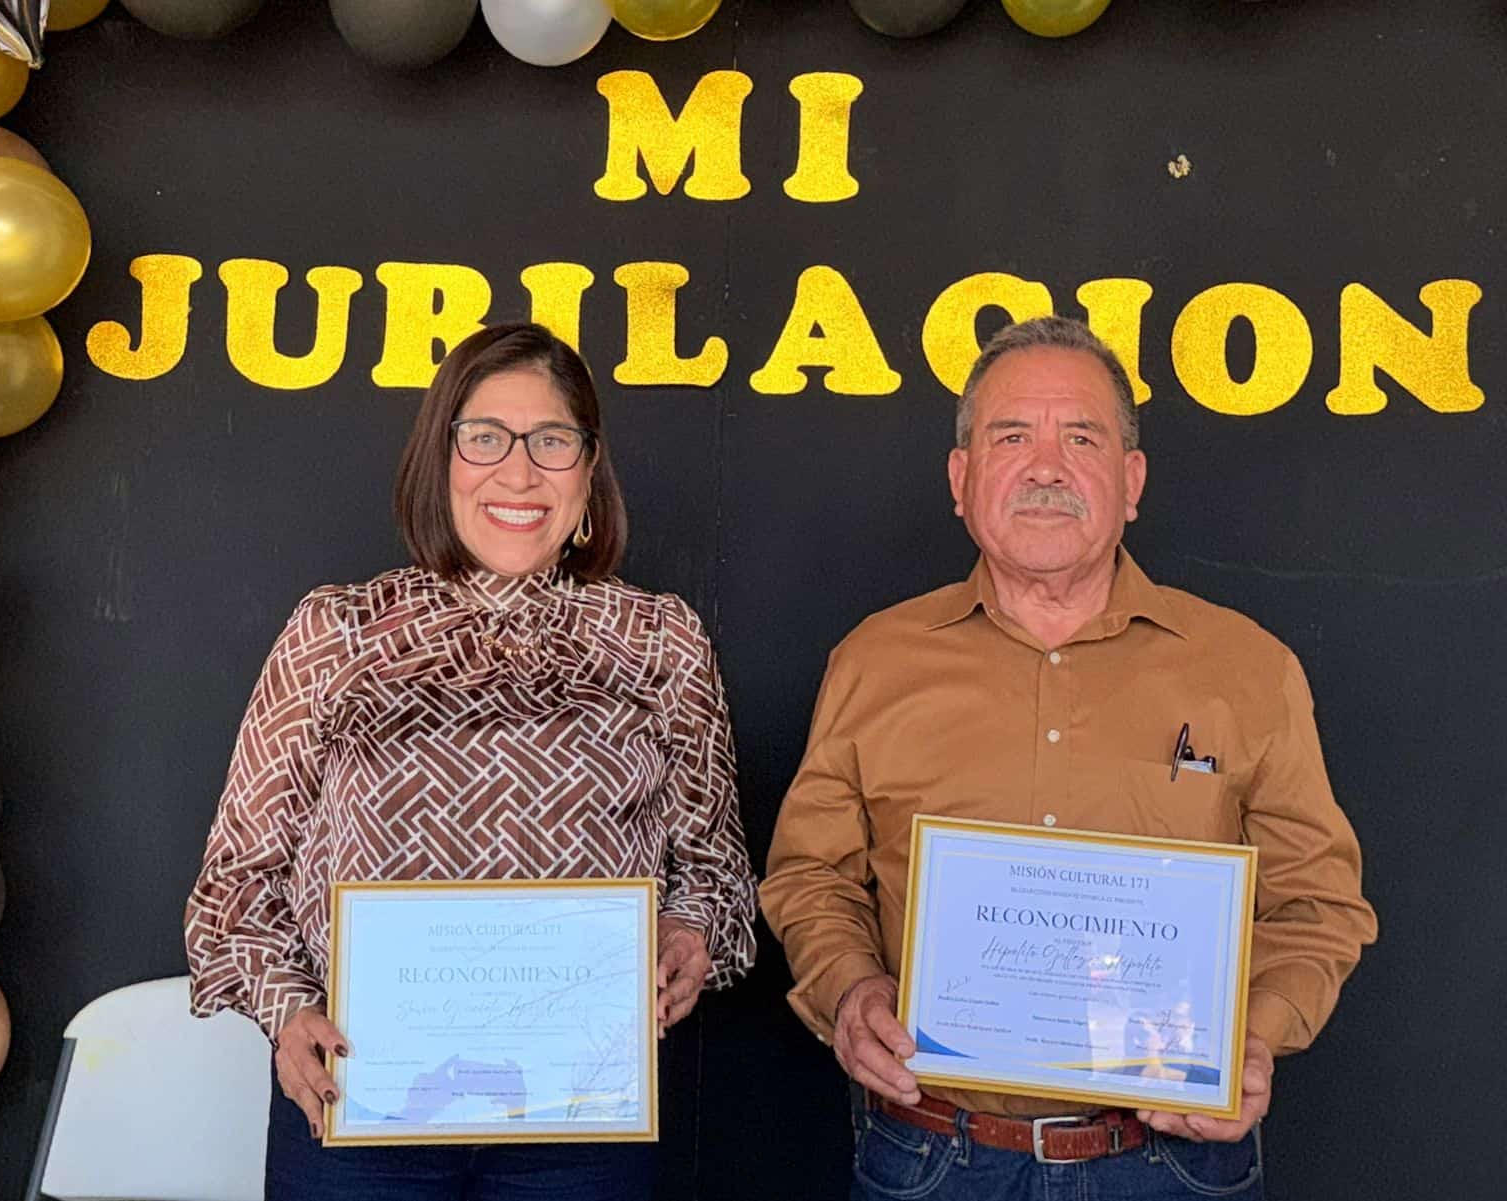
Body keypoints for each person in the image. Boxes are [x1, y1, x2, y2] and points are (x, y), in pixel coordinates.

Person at [760, 315, 1376, 1200]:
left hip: (1171, 1161)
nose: (1046, 467)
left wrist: (1255, 1035)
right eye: (1012, 436)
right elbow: (812, 875)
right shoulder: (874, 660)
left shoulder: (1247, 668)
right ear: (961, 479)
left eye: (1081, 437)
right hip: (934, 1156)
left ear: (1132, 482)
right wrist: (851, 990)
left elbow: (1316, 902)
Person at [185, 322, 757, 1201]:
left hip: (581, 1119)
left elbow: (716, 874)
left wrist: (688, 935)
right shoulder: (337, 631)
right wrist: (288, 1010)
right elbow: (237, 883)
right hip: (357, 1105)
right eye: (485, 437)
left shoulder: (661, 638)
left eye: (551, 441)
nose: (519, 473)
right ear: (440, 459)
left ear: (588, 469)